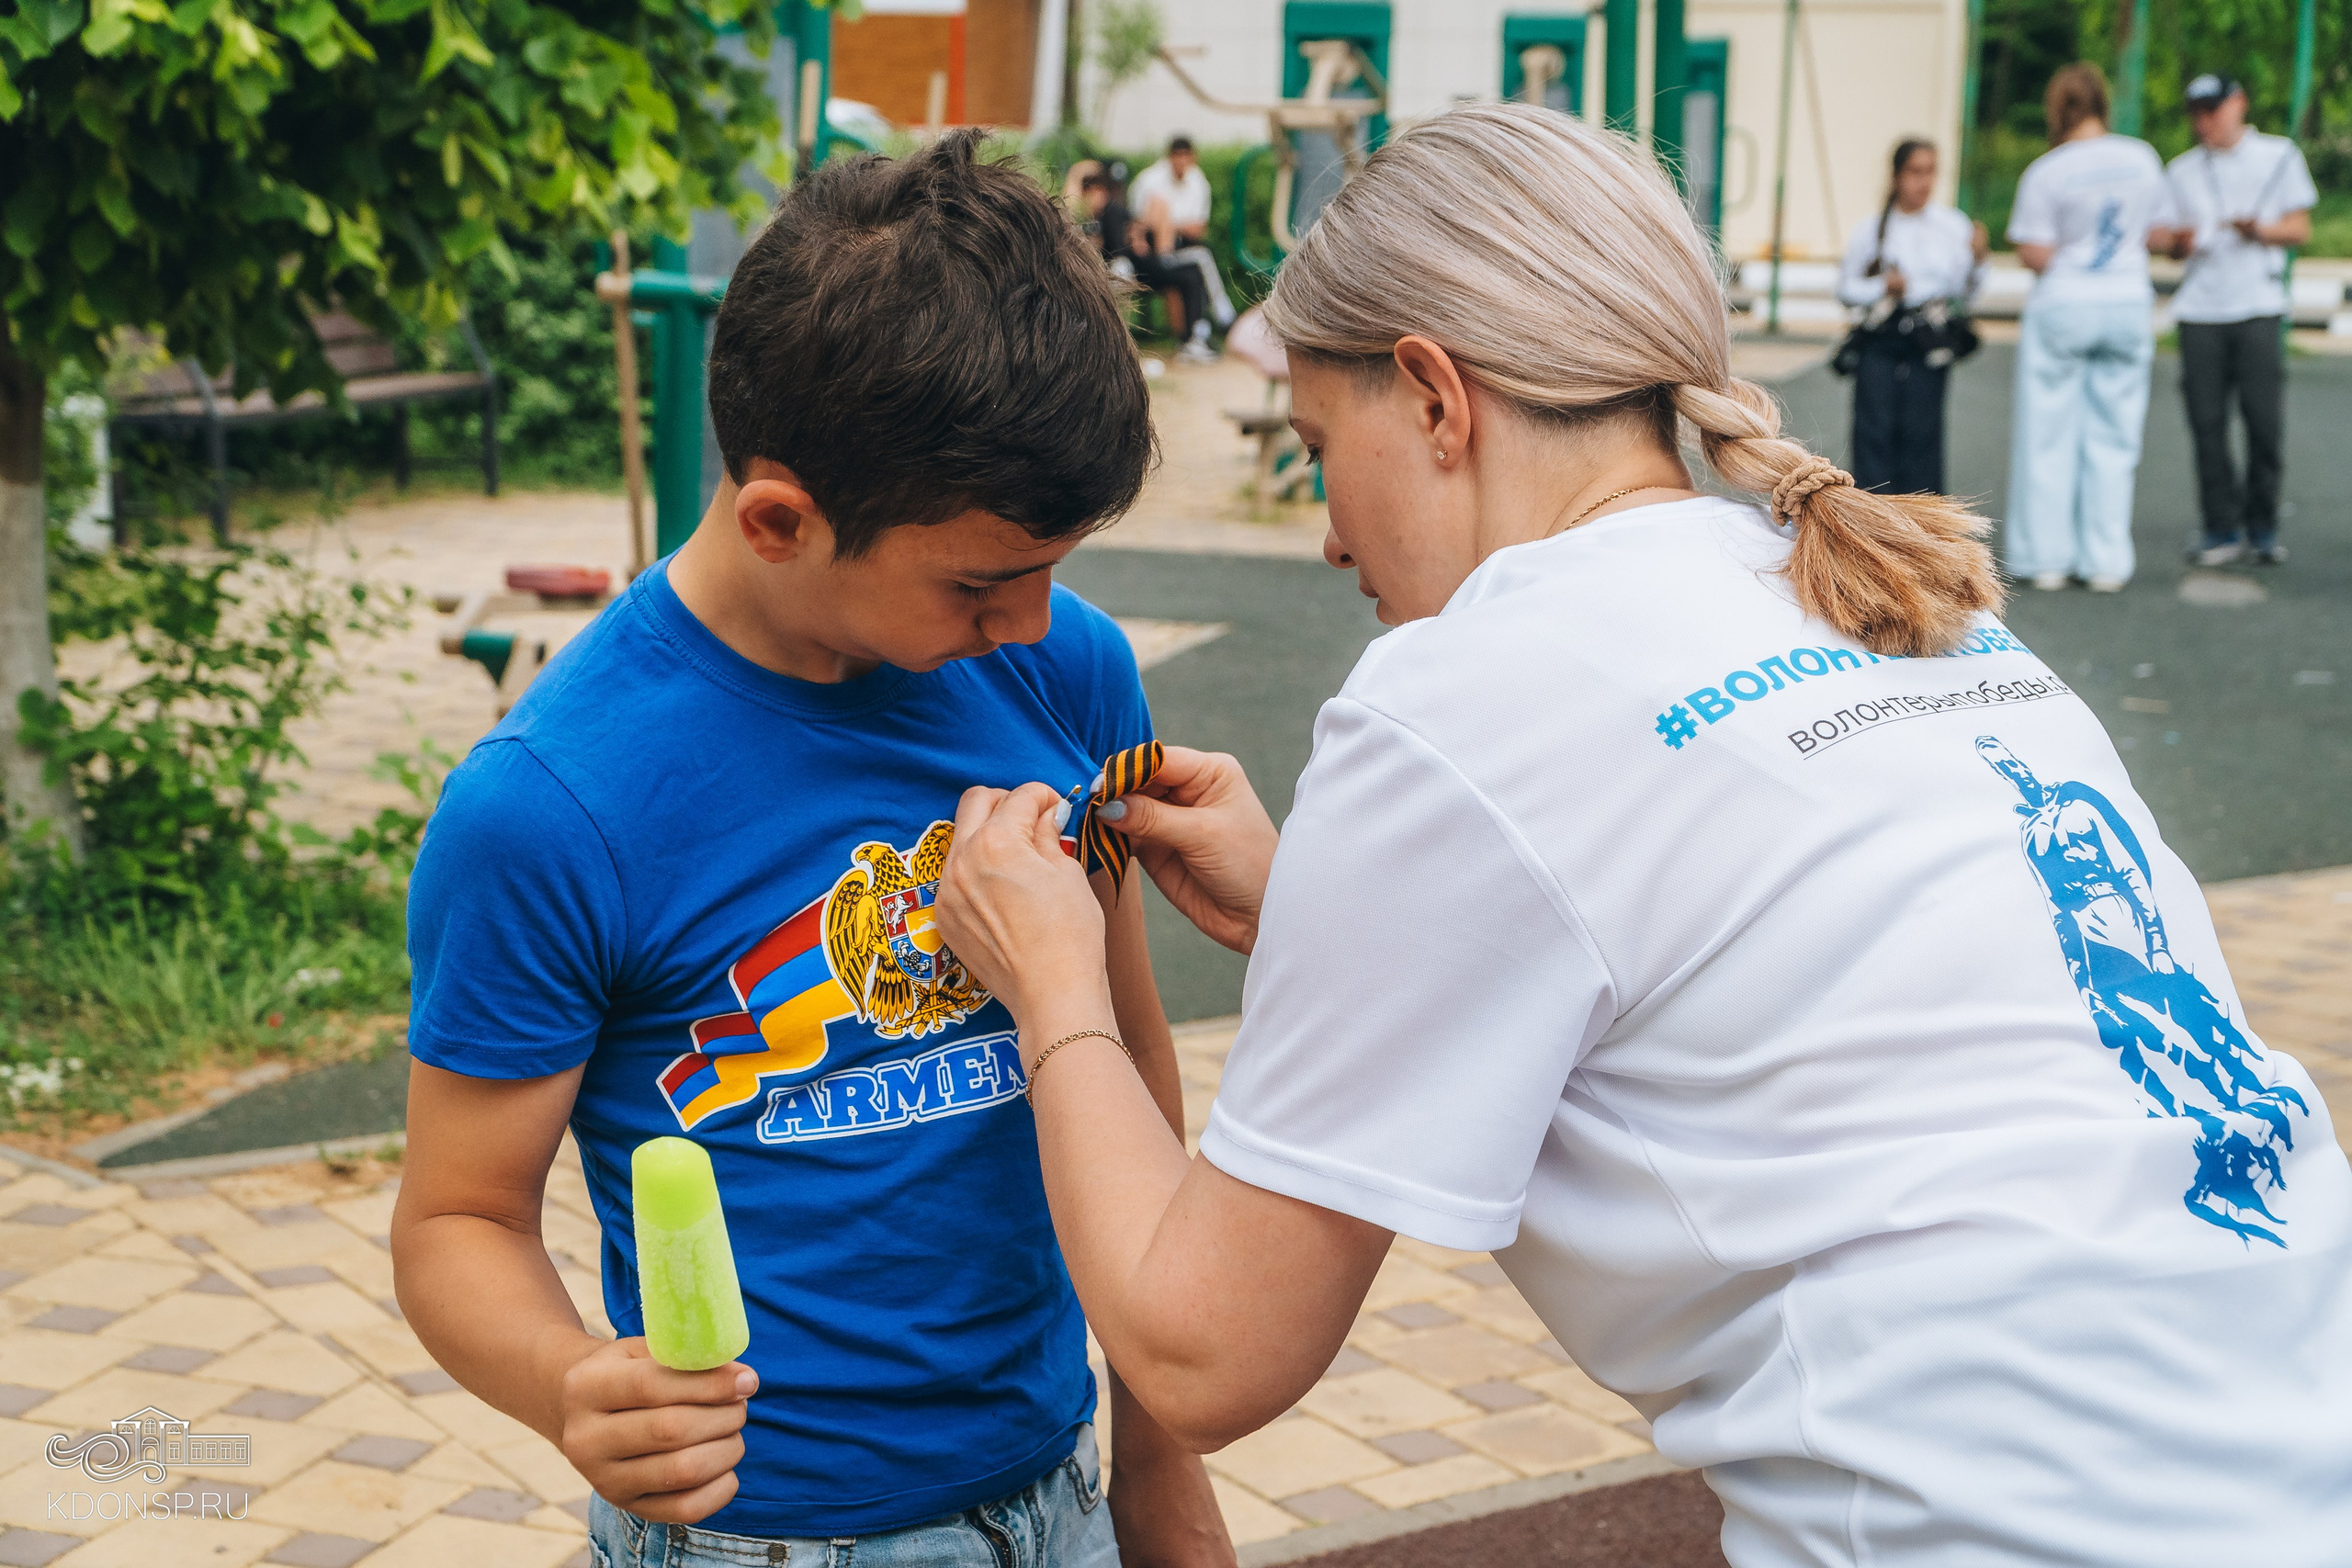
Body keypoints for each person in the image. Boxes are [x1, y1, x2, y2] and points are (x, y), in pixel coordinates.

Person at [929, 103, 2352, 1568]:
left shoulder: (1464, 689)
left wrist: (1054, 978)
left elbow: (1201, 1350)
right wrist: (1320, 907)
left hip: (1998, 1517)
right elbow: (1730, 993)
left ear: (1432, 395)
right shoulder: (1895, 595)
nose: (1335, 537)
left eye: (1314, 449)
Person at [390, 133, 1232, 1568]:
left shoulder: (1066, 674)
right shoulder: (550, 807)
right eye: (980, 581)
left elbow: (1127, 1061)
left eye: (1054, 569)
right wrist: (565, 1381)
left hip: (1060, 1489)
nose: (1033, 622)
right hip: (762, 1542)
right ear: (781, 517)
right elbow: (456, 1214)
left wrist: (1159, 1453)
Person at [2004, 62, 2170, 593]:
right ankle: (2105, 561)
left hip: (2066, 302)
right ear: (2103, 102)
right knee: (2115, 438)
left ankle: (2045, 560)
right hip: (2125, 300)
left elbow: (2033, 252)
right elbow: (2161, 233)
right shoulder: (2141, 157)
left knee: (2048, 434)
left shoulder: (2049, 170)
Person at [2155, 73, 2317, 568]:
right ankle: (2220, 528)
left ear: (2239, 103)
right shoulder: (2181, 170)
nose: (2206, 121)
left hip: (2258, 306)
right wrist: (2179, 243)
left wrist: (2260, 231)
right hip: (2201, 309)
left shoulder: (2279, 155)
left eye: (2214, 109)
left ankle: (2262, 526)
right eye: (2197, 113)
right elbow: (2164, 240)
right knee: (2207, 424)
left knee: (2264, 421)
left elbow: (2300, 227)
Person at [1836, 138, 1987, 494]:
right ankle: (1873, 525)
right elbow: (1845, 289)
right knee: (1874, 432)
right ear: (1896, 176)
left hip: (1928, 339)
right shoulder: (1871, 229)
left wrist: (1978, 261)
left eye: (1931, 172)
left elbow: (1967, 294)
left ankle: (1923, 532)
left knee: (1923, 435)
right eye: (1915, 172)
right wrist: (1883, 287)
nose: (1924, 182)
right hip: (1881, 337)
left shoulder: (1952, 226)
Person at [1080, 166, 1216, 364]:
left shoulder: (1111, 212)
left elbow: (1118, 249)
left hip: (1139, 267)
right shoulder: (1107, 213)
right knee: (1190, 274)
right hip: (1138, 270)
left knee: (1191, 273)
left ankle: (1193, 337)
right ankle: (1192, 338)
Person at [1130, 135, 1238, 332]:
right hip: (1151, 247)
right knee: (1201, 258)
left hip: (1181, 244)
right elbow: (1139, 224)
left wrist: (1168, 225)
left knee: (1198, 261)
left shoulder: (1198, 181)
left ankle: (1196, 330)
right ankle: (1220, 311)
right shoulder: (1150, 181)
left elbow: (1198, 229)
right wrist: (1164, 226)